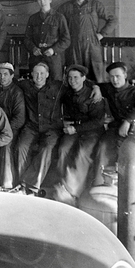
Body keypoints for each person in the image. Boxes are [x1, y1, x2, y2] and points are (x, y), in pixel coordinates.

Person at [49, 65, 107, 204]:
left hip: (92, 131)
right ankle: (63, 184)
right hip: (74, 129)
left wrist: (75, 129)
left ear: (83, 78)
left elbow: (98, 122)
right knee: (63, 149)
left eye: (76, 77)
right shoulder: (67, 93)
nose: (72, 81)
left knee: (83, 153)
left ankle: (72, 191)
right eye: (70, 78)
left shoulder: (94, 95)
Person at [93, 62, 135, 187]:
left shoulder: (134, 91)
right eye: (111, 77)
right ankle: (102, 184)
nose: (114, 80)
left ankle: (125, 186)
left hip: (134, 128)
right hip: (116, 127)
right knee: (103, 146)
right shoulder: (108, 88)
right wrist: (96, 88)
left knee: (126, 152)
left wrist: (127, 121)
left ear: (125, 75)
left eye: (117, 76)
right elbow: (90, 83)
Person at [17, 62, 67, 197]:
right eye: (36, 73)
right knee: (21, 146)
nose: (39, 76)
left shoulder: (58, 87)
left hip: (52, 128)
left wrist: (96, 87)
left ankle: (31, 186)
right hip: (32, 127)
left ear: (47, 75)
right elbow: (7, 82)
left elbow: (79, 83)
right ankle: (22, 185)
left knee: (47, 148)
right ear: (31, 74)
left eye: (42, 73)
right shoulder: (25, 85)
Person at [61, 0, 116, 83]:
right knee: (75, 75)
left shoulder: (95, 5)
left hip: (92, 45)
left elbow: (113, 19)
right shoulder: (65, 7)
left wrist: (102, 34)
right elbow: (57, 24)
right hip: (73, 46)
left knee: (96, 74)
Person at [0, 63, 26, 189]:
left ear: (11, 76)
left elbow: (19, 118)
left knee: (5, 146)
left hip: (12, 128)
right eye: (0, 74)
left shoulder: (17, 92)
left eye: (5, 74)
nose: (2, 77)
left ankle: (7, 182)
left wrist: (5, 131)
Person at [26, 0, 70, 81]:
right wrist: (33, 49)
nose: (42, 2)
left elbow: (66, 39)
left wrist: (53, 50)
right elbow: (27, 39)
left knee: (55, 83)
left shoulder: (59, 18)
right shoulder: (33, 19)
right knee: (37, 82)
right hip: (37, 57)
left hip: (54, 59)